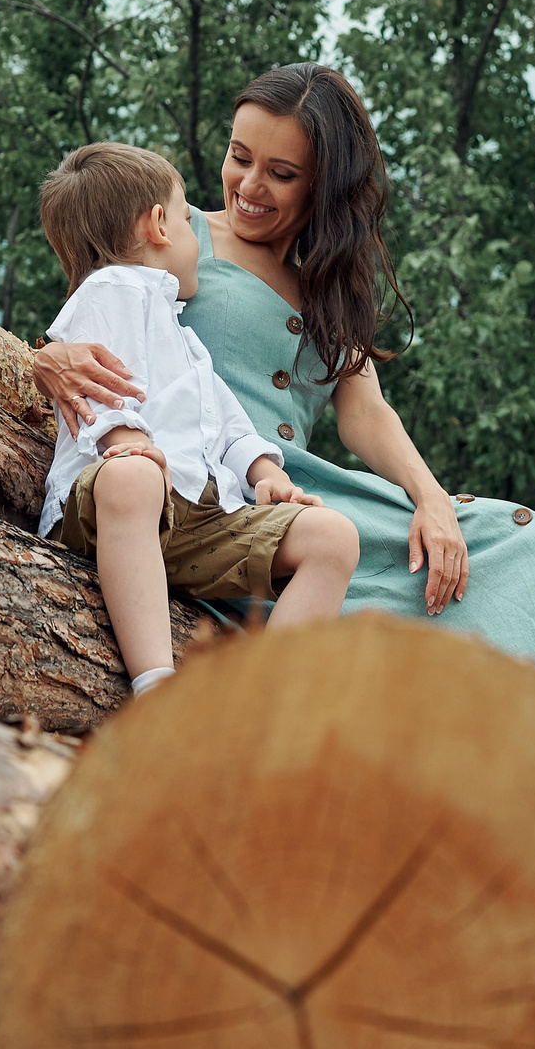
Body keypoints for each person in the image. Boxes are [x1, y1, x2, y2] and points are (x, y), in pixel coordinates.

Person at [34, 67, 535, 679]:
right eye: (239, 157)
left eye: (282, 174)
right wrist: (43, 358)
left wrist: (433, 499)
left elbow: (365, 413)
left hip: (293, 493)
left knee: (529, 544)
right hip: (198, 491)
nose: (250, 186)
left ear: (325, 186)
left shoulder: (330, 286)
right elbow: (94, 311)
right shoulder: (173, 238)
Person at [35, 140, 360, 697]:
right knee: (133, 474)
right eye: (189, 219)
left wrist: (265, 473)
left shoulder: (180, 332)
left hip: (197, 517)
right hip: (115, 507)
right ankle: (155, 682)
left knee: (333, 537)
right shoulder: (109, 291)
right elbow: (102, 393)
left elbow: (226, 422)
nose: (197, 237)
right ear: (159, 225)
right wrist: (130, 440)